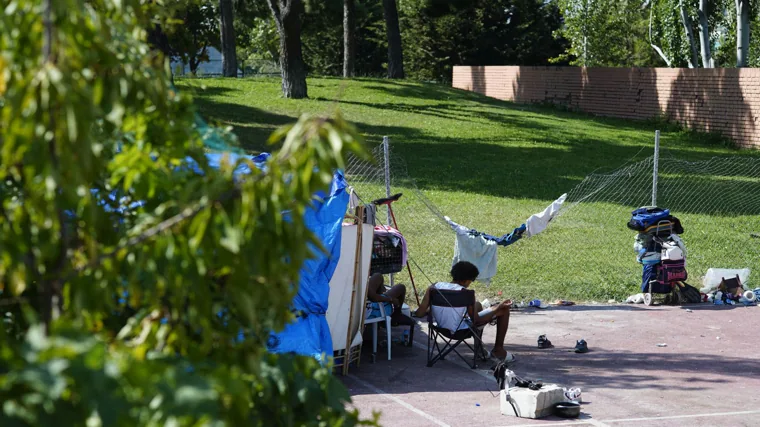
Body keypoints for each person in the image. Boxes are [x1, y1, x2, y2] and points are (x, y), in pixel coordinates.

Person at [413, 261, 514, 361]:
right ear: (466, 280)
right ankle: (498, 350)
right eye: (471, 280)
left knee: (478, 305)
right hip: (460, 332)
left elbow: (420, 313)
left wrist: (432, 309)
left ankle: (480, 351)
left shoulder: (434, 287)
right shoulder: (466, 293)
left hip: (440, 328)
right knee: (504, 310)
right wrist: (498, 308)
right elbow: (477, 321)